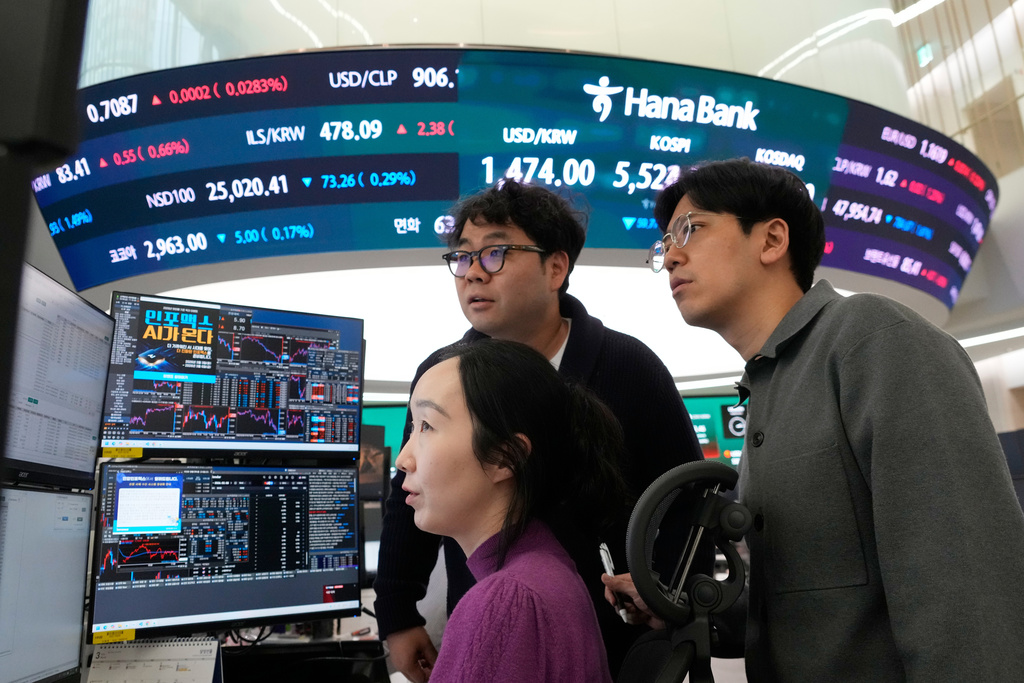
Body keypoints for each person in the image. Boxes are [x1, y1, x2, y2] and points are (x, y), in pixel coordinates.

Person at [604, 157, 1024, 681]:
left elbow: (967, 587)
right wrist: (682, 607)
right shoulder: (765, 387)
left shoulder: (873, 339)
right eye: (665, 243)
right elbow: (804, 606)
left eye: (692, 228)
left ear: (772, 240)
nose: (671, 257)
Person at [374, 179, 704, 681]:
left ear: (557, 267)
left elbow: (685, 497)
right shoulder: (442, 376)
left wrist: (663, 589)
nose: (472, 274)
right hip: (493, 628)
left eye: (496, 253)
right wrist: (396, 615)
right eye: (462, 258)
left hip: (614, 635)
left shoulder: (628, 366)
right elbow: (411, 496)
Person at [397, 339, 626, 682]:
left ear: (505, 457)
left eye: (427, 426)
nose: (403, 459)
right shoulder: (546, 568)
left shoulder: (506, 602)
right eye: (412, 428)